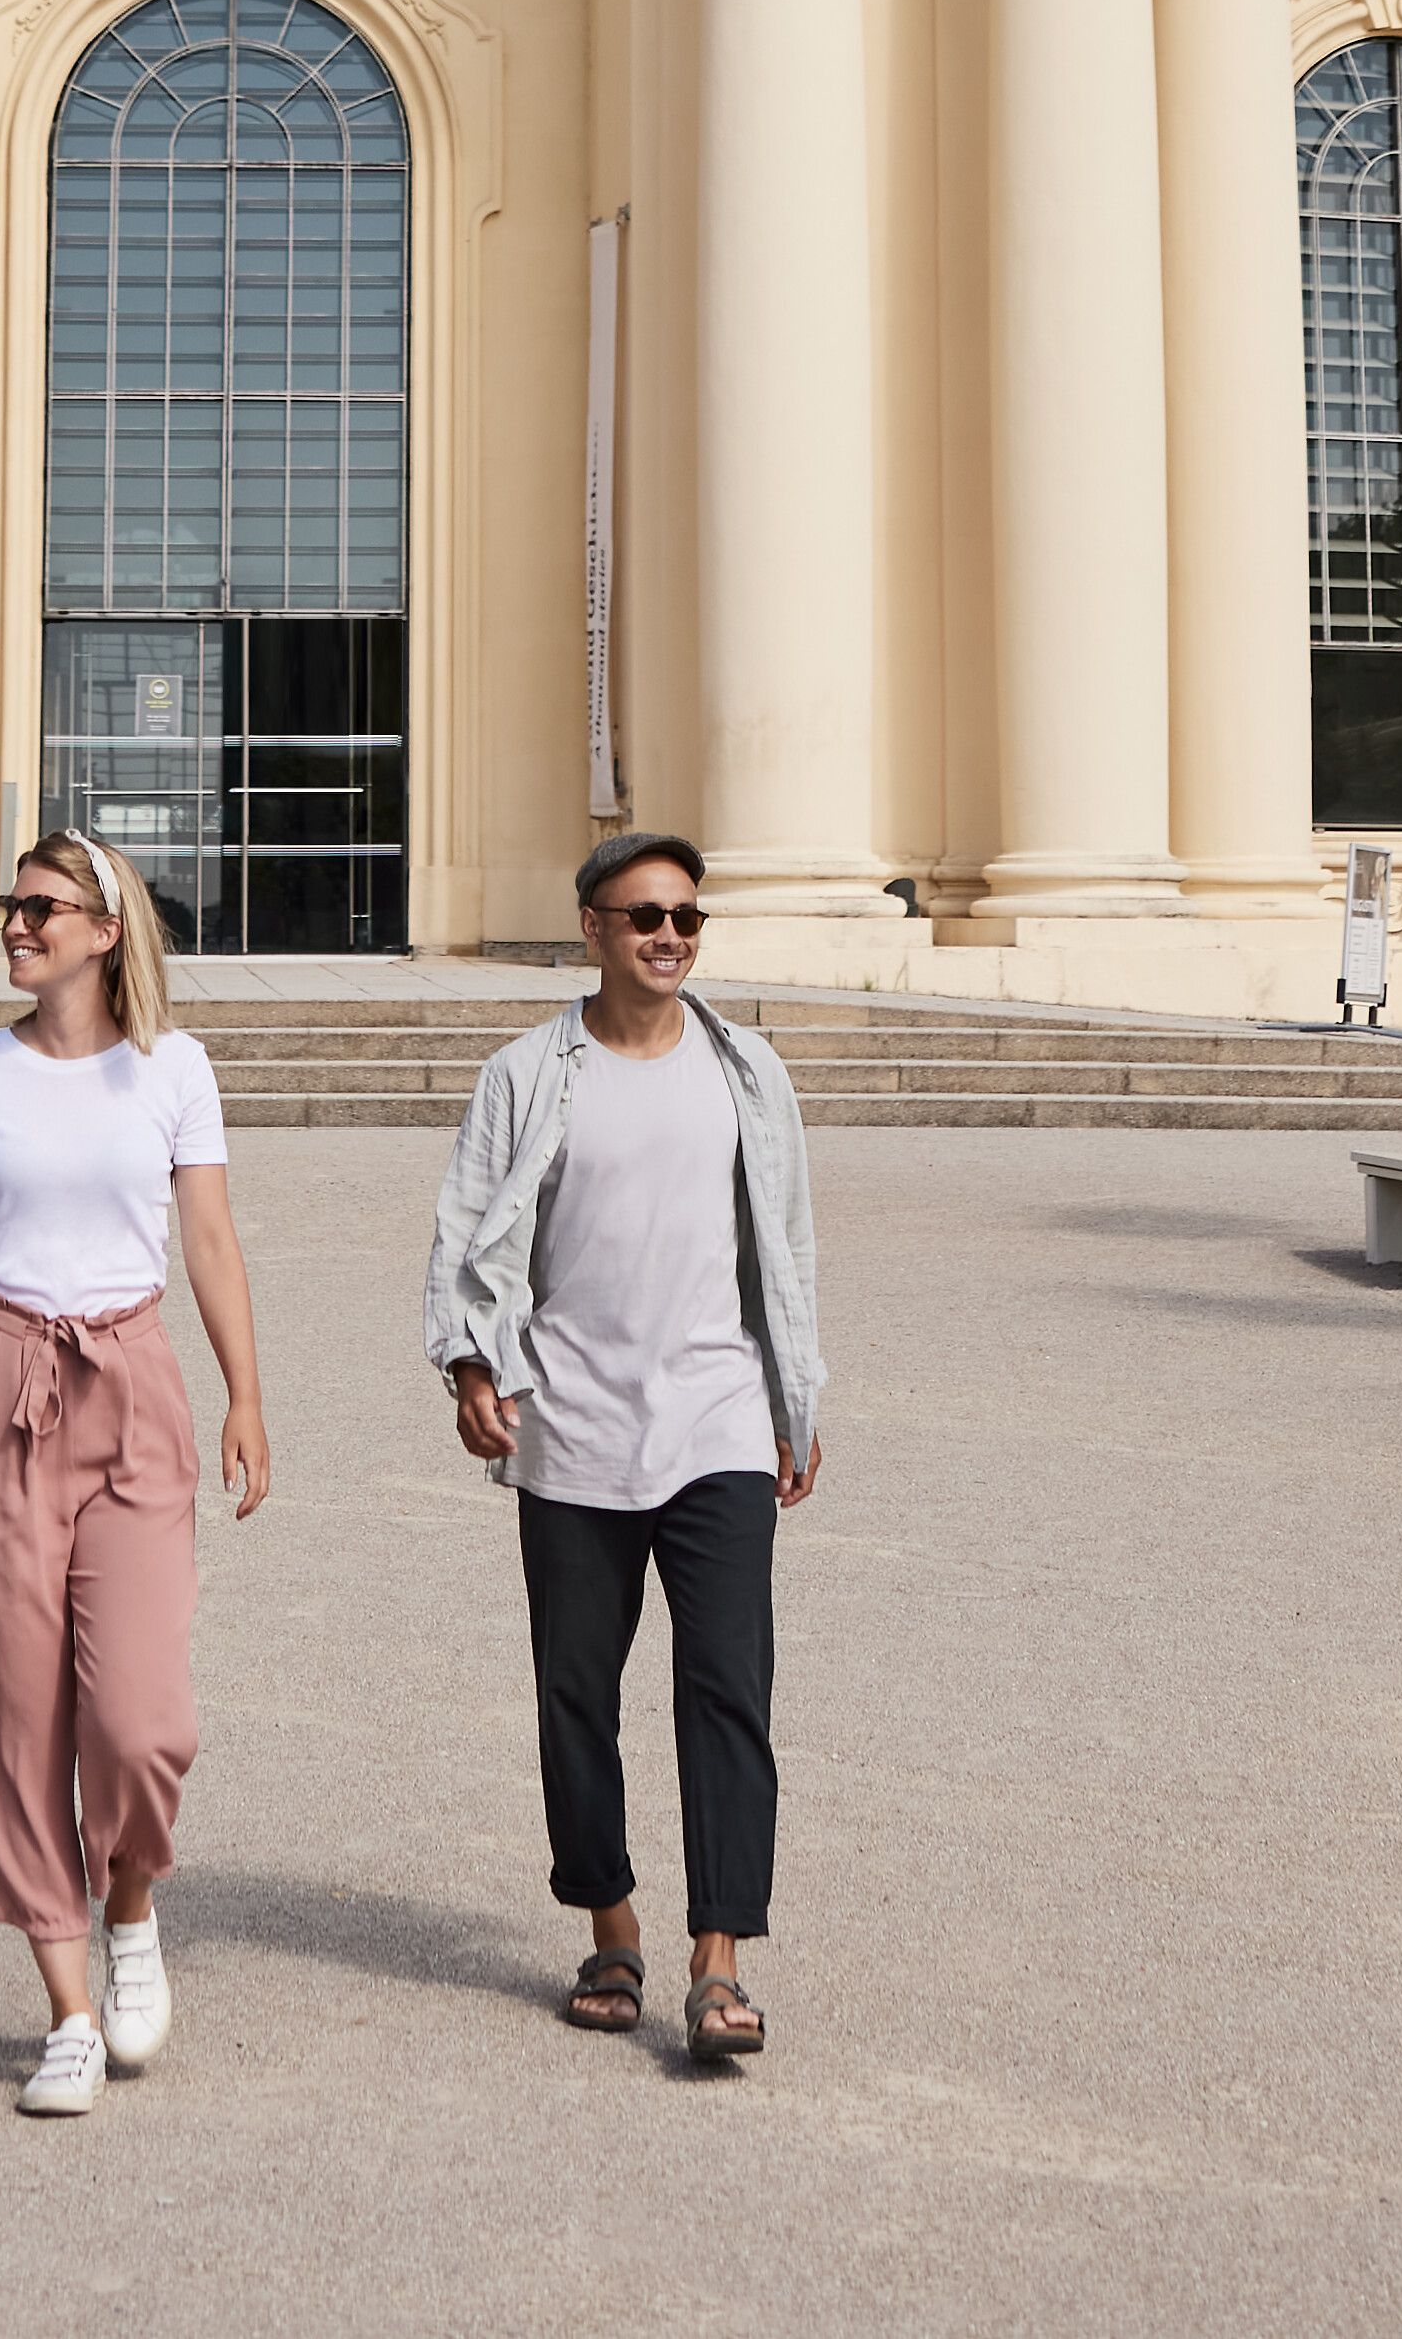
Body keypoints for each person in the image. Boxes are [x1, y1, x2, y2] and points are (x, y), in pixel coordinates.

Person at [0, 828, 271, 2116]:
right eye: (9, 904)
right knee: (15, 1715)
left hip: (133, 1384)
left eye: (43, 906)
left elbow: (206, 1236)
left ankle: (132, 1904)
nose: (16, 924)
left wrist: (244, 1396)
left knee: (142, 1720)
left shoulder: (173, 1069)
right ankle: (70, 2012)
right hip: (1, 1385)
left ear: (106, 929)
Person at [426, 832, 827, 2068]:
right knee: (573, 1696)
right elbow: (465, 1234)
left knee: (726, 1690)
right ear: (590, 927)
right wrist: (471, 1364)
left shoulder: (747, 1071)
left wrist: (794, 1402)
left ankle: (718, 1960)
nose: (669, 937)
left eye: (687, 920)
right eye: (645, 916)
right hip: (577, 1425)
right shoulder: (525, 1074)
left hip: (716, 1415)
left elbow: (788, 1246)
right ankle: (610, 1927)